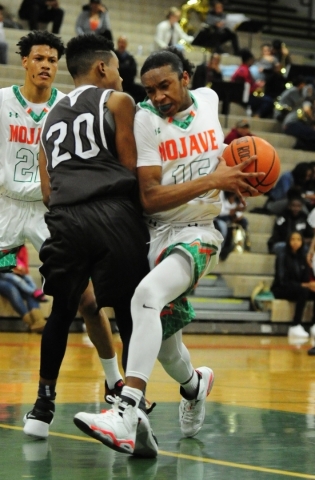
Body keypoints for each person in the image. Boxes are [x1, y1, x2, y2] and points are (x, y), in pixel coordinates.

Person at [73, 49, 266, 455]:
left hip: (198, 232)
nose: (158, 96)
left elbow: (228, 158)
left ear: (186, 78)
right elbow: (149, 198)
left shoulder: (210, 100)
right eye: (150, 89)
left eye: (165, 86)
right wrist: (216, 177)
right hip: (154, 233)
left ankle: (126, 410)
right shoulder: (146, 121)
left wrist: (238, 171)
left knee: (145, 298)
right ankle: (195, 385)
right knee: (163, 343)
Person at [23, 33, 157, 457]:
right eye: (116, 68)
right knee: (131, 311)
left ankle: (42, 407)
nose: (120, 76)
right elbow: (132, 169)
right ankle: (129, 410)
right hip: (111, 212)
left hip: (63, 218)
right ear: (102, 68)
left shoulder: (46, 121)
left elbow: (47, 191)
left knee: (62, 310)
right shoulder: (119, 102)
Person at [0, 30, 124, 441]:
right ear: (25, 61)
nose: (47, 65)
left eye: (53, 59)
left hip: (47, 208)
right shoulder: (1, 102)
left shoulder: (65, 107)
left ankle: (114, 380)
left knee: (86, 299)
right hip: (4, 203)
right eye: (39, 58)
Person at [271, 231, 315, 339]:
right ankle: (295, 325)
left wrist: (310, 285)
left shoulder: (303, 258)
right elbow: (282, 280)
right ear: (288, 241)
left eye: (299, 239)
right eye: (293, 239)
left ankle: (314, 324)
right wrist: (304, 285)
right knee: (303, 291)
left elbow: (305, 278)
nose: (296, 242)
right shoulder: (282, 256)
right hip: (281, 288)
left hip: (298, 288)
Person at [114, 35, 145, 103]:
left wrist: (122, 69)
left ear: (126, 44)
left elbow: (133, 71)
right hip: (114, 84)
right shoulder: (113, 56)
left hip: (128, 84)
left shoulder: (130, 58)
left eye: (124, 42)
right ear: (117, 43)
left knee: (143, 91)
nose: (122, 44)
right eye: (120, 42)